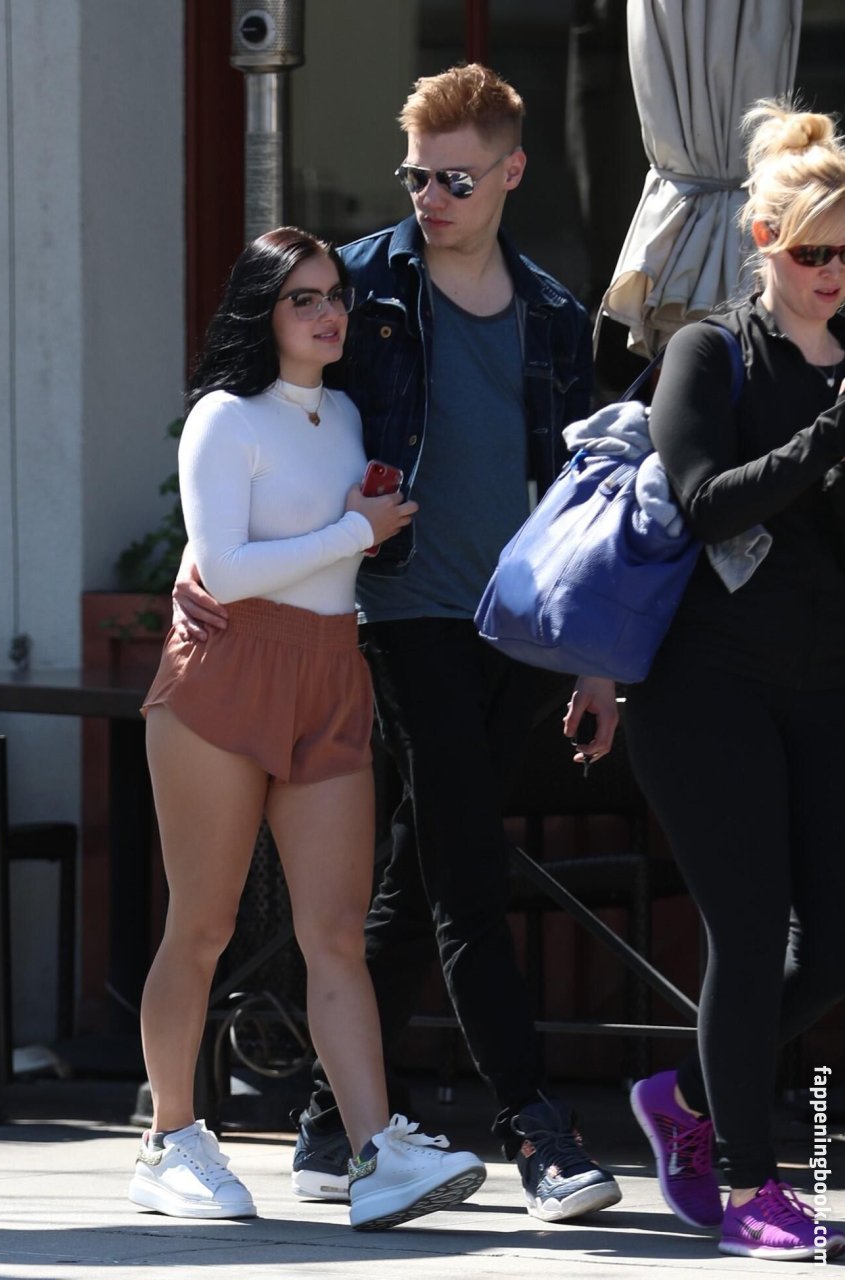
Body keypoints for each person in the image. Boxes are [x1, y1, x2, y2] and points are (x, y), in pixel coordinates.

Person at [174, 64, 621, 1224]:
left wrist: (594, 651)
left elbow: (583, 496)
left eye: (456, 179)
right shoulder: (361, 285)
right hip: (397, 613)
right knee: (469, 871)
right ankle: (537, 1127)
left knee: (422, 871)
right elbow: (252, 403)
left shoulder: (555, 315)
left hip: (513, 626)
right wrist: (197, 552)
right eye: (416, 175)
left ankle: (330, 1124)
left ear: (512, 172)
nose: (431, 197)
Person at [128, 226, 486, 1230]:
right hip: (227, 674)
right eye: (303, 298)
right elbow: (224, 568)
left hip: (330, 672)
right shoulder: (222, 416)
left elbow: (310, 553)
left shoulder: (350, 412)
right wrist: (354, 531)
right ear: (263, 310)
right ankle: (170, 1138)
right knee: (203, 925)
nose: (329, 313)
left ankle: (375, 1151)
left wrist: (356, 523)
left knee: (334, 934)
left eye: (335, 296)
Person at [623, 100, 845, 1262]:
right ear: (763, 238)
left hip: (823, 683)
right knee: (749, 937)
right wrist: (826, 439)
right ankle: (754, 1185)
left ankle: (687, 1100)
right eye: (811, 251)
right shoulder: (708, 352)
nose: (831, 273)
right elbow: (705, 502)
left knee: (835, 941)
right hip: (704, 688)